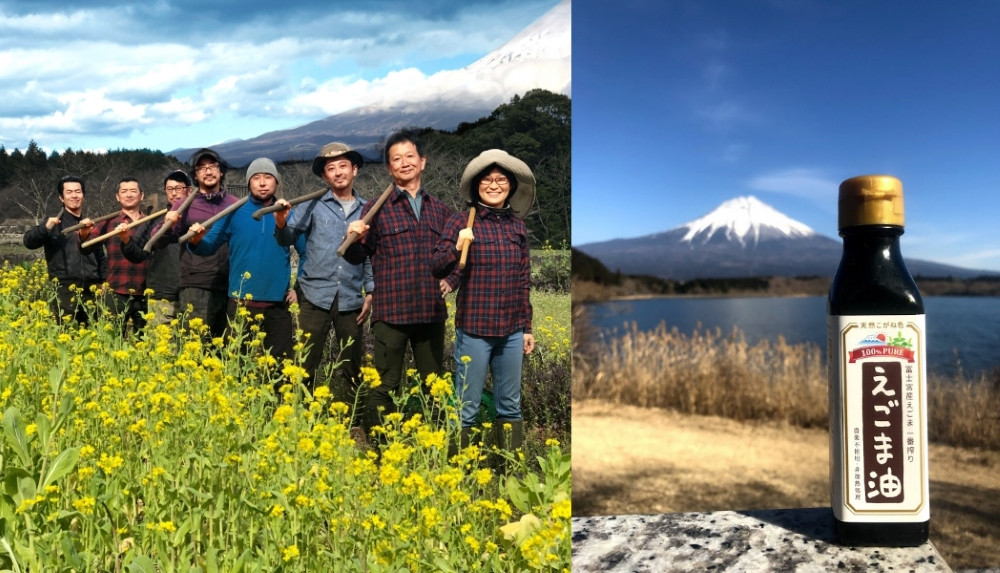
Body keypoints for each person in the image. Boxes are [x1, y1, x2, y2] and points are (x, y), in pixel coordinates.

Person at [344, 129, 457, 432]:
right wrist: (352, 238)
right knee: (385, 385)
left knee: (435, 387)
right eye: (397, 159)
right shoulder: (374, 210)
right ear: (389, 168)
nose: (404, 163)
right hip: (391, 313)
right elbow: (355, 257)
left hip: (430, 313)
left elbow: (459, 253)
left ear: (423, 161)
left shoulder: (441, 211)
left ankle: (437, 449)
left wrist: (453, 279)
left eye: (410, 156)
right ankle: (380, 453)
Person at [431, 149, 536, 456]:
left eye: (501, 179)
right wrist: (456, 245)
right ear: (477, 185)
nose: (494, 185)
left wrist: (526, 327)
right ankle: (460, 472)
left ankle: (508, 469)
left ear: (511, 186)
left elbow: (522, 280)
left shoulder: (518, 227)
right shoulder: (463, 220)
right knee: (467, 404)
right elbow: (437, 265)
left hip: (512, 331)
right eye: (487, 179)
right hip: (475, 328)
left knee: (510, 404)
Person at [273, 142, 374, 432]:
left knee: (353, 363)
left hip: (351, 297)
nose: (338, 172)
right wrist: (281, 219)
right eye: (331, 168)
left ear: (354, 170)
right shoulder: (312, 204)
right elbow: (287, 238)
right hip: (314, 295)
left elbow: (368, 253)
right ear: (324, 177)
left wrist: (371, 291)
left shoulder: (367, 209)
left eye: (343, 166)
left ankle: (356, 424)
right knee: (305, 361)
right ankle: (298, 420)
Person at [186, 157, 304, 363]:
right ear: (249, 182)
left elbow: (307, 253)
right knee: (238, 365)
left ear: (276, 181)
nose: (262, 182)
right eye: (256, 177)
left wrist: (297, 286)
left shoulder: (289, 214)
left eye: (268, 177)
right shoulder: (233, 213)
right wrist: (196, 239)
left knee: (280, 365)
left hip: (279, 303)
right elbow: (208, 247)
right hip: (241, 303)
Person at [156, 148, 238, 337]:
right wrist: (169, 224)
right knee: (194, 345)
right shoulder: (184, 205)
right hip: (195, 285)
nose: (208, 171)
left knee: (224, 351)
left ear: (221, 171)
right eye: (202, 168)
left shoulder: (234, 204)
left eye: (212, 166)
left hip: (230, 286)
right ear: (195, 175)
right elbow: (158, 241)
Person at [23, 175, 106, 324]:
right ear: (61, 197)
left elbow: (99, 255)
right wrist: (45, 228)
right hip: (64, 288)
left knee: (93, 334)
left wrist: (102, 281)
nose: (74, 195)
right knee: (66, 333)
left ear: (83, 195)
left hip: (91, 289)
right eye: (69, 192)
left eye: (78, 191)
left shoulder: (89, 224)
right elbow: (29, 242)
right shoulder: (53, 223)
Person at [119, 170, 192, 326]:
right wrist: (126, 240)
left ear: (189, 190)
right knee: (161, 346)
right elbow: (137, 254)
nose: (174, 193)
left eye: (179, 188)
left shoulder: (198, 217)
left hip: (194, 294)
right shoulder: (155, 219)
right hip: (162, 295)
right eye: (170, 189)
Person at [81, 177, 150, 333]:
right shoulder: (109, 222)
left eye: (133, 191)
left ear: (142, 195)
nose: (129, 195)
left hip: (146, 292)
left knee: (146, 344)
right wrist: (84, 234)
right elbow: (86, 248)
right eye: (124, 191)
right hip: (115, 291)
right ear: (118, 197)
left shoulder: (151, 222)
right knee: (111, 339)